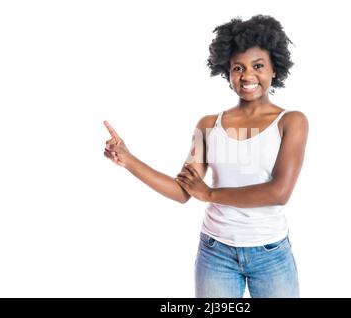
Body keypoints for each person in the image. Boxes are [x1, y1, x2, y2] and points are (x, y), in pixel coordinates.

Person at [103, 14, 308, 298]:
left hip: (270, 253)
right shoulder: (208, 125)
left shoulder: (292, 121)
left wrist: (210, 194)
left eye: (258, 66)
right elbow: (182, 191)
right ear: (228, 73)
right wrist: (128, 159)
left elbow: (279, 192)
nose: (247, 76)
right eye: (238, 68)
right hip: (216, 254)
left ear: (274, 69)